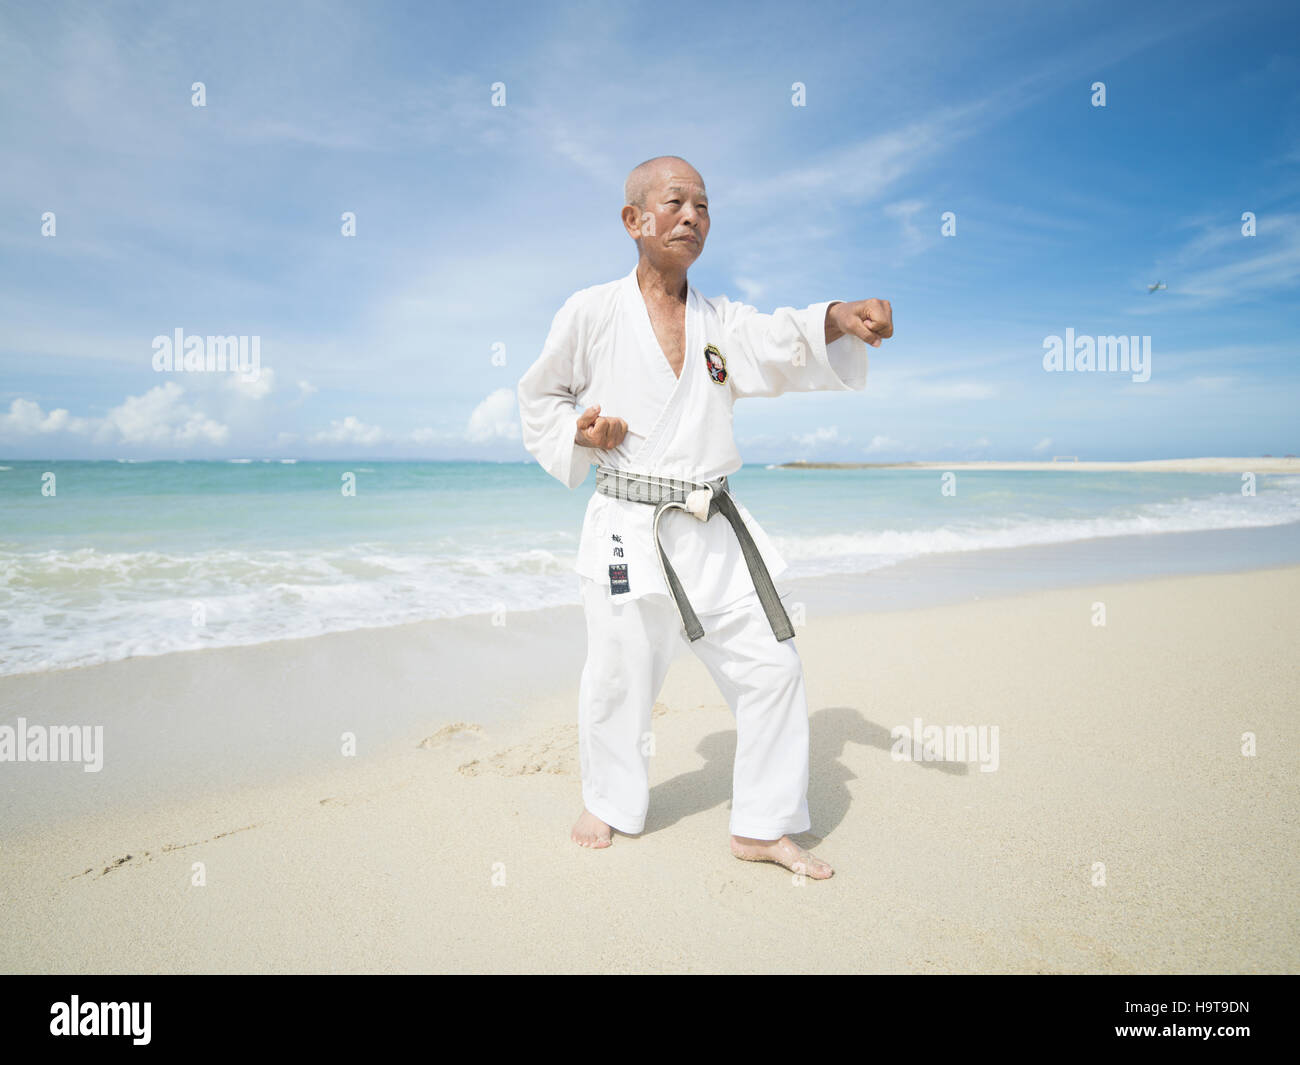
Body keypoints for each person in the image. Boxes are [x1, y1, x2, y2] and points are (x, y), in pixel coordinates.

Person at [516, 155, 893, 879]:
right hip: (628, 526)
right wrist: (581, 433)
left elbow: (785, 338)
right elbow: (540, 398)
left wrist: (840, 317)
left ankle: (763, 823)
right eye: (675, 201)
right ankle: (611, 800)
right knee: (620, 676)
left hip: (710, 524)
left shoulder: (722, 322)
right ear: (634, 220)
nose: (693, 215)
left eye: (705, 206)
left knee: (774, 666)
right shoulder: (590, 311)